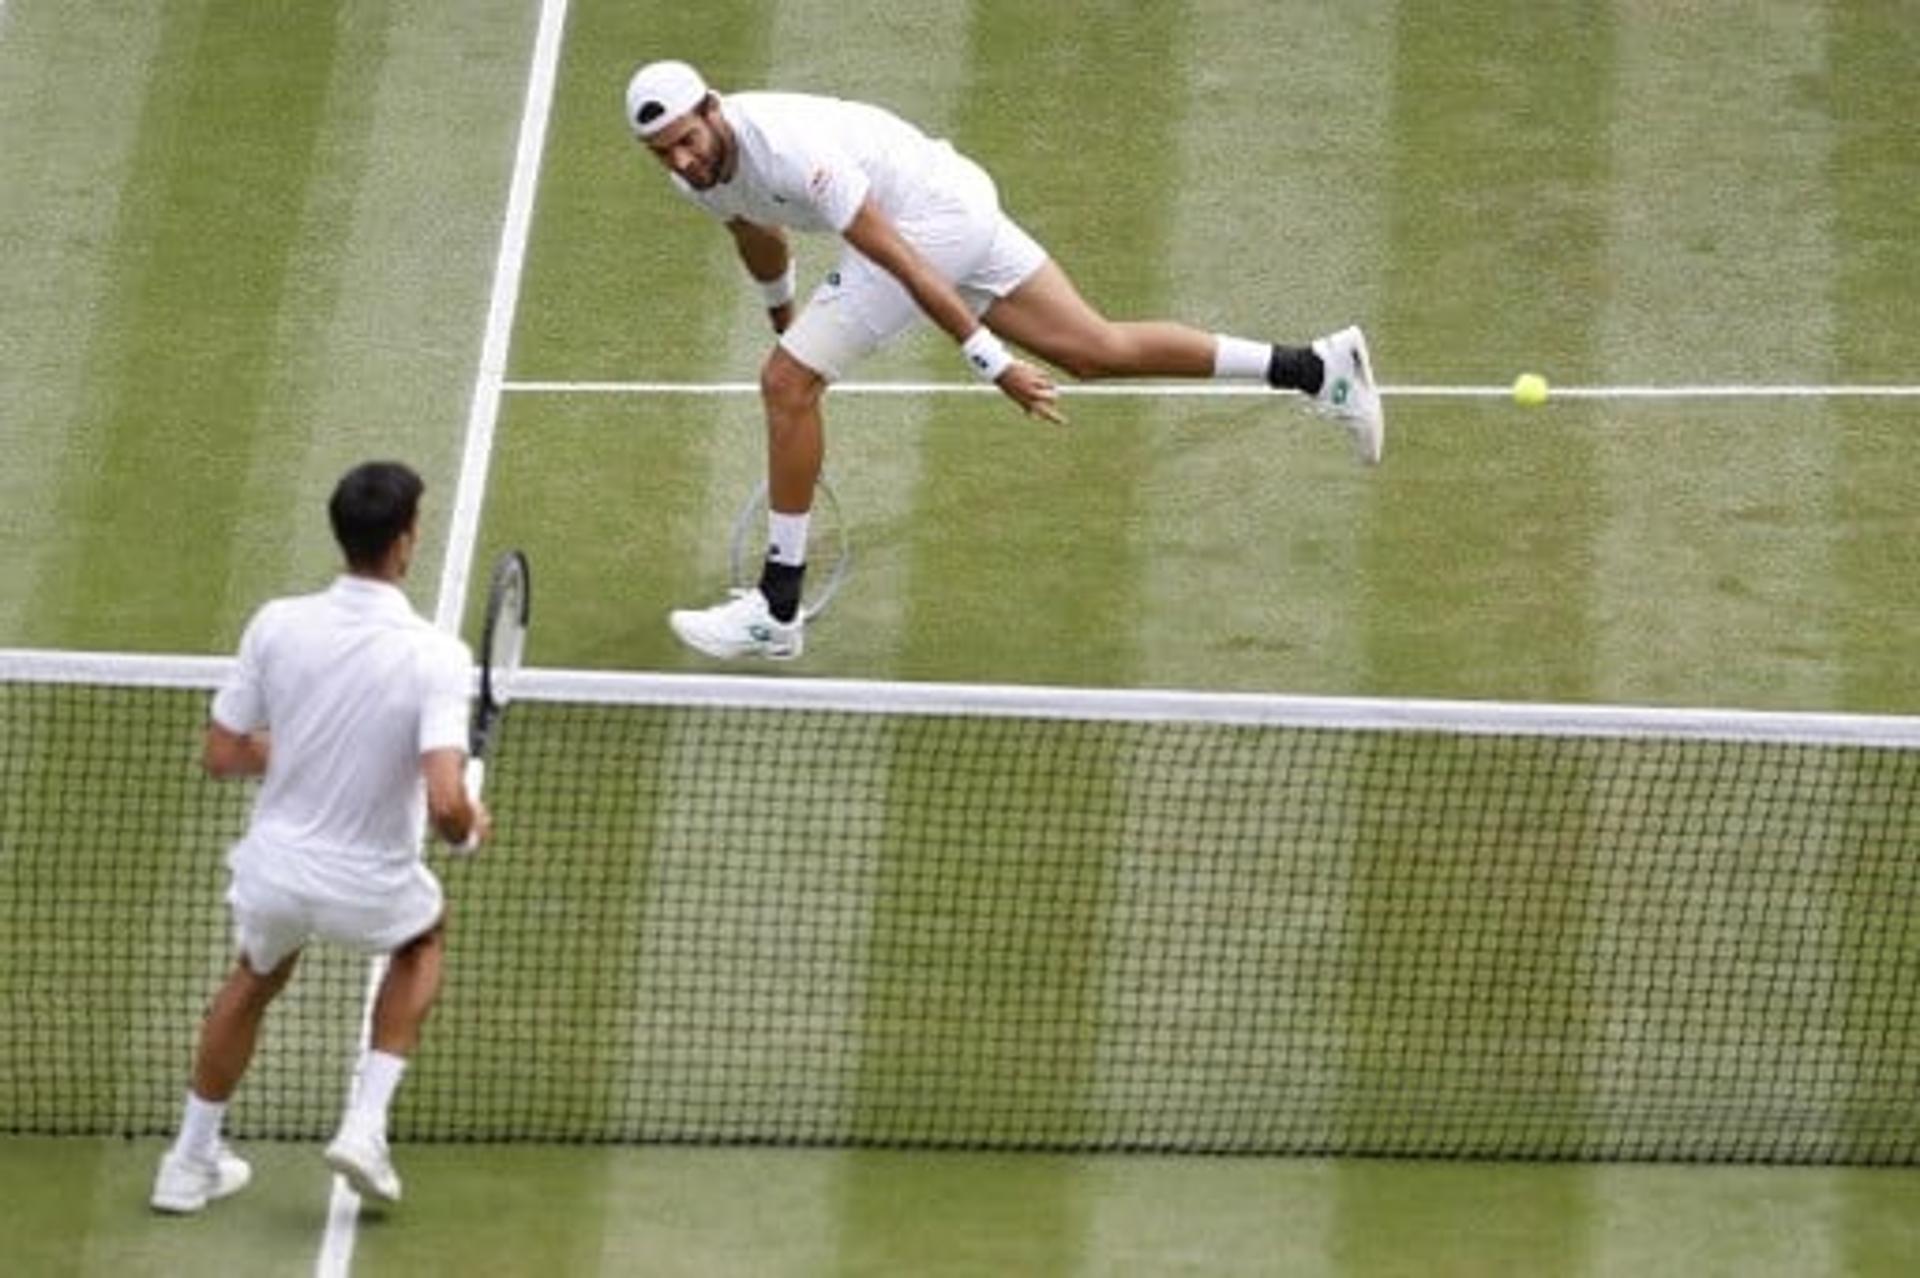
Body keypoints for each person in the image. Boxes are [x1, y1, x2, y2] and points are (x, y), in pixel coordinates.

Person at [625, 59, 1385, 663]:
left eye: (689, 139)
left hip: (935, 219)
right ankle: (1318, 368)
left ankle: (775, 610)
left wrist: (994, 365)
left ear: (714, 108)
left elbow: (906, 263)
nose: (683, 160)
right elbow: (756, 232)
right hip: (957, 194)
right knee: (1095, 350)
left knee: (785, 384)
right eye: (666, 152)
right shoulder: (694, 174)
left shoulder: (791, 151)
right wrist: (784, 318)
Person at [149, 461, 488, 1215]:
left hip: (275, 872)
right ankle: (364, 1129)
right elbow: (442, 799)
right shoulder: (436, 655)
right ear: (405, 542)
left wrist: (301, 746)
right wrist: (468, 822)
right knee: (423, 939)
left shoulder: (276, 623)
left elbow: (223, 754)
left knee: (254, 978)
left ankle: (188, 1160)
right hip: (369, 883)